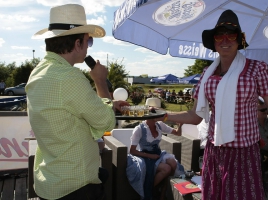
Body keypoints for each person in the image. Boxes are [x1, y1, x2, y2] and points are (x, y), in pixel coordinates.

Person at [159, 10, 268, 200]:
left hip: (245, 154)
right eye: (220, 35)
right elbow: (195, 116)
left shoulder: (256, 68)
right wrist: (163, 115)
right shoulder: (207, 74)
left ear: (239, 40)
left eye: (232, 34)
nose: (225, 39)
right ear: (214, 41)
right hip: (215, 152)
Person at [26, 4, 129, 200]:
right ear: (77, 44)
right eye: (88, 41)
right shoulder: (69, 77)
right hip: (76, 185)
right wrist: (100, 81)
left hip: (50, 181)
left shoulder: (38, 73)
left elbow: (66, 113)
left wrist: (107, 104)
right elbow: (106, 122)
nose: (88, 46)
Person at [127, 117, 184, 200]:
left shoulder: (159, 125)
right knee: (166, 168)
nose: (159, 116)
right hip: (145, 156)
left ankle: (164, 191)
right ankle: (148, 190)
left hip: (158, 154)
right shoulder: (139, 129)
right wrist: (150, 156)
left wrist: (180, 125)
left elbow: (177, 133)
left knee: (173, 163)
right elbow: (132, 151)